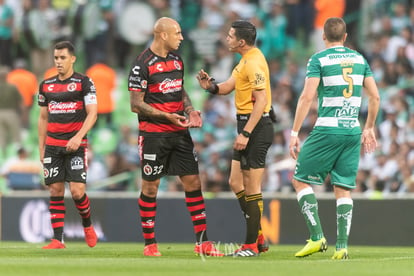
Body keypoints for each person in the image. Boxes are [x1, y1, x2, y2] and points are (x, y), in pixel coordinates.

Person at [128, 17, 222, 257]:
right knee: (151, 187)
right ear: (163, 35)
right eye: (177, 33)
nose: (181, 37)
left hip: (179, 133)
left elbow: (179, 89)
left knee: (194, 183)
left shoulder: (177, 60)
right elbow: (136, 105)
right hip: (153, 135)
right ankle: (150, 244)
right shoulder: (141, 64)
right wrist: (167, 116)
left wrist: (189, 110)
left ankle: (203, 243)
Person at [288, 17, 380, 260]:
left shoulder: (319, 59)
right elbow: (375, 97)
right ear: (346, 36)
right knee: (343, 188)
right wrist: (368, 127)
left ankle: (317, 237)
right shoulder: (360, 59)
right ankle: (342, 247)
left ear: (324, 37)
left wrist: (294, 132)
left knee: (300, 181)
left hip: (327, 129)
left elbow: (307, 97)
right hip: (352, 130)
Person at [197, 20, 274, 257]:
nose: (227, 38)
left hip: (256, 126)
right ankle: (258, 235)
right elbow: (229, 86)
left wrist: (246, 134)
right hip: (246, 124)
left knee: (252, 185)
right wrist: (211, 87)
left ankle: (251, 244)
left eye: (230, 36)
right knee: (234, 182)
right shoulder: (244, 61)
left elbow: (260, 102)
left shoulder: (253, 63)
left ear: (241, 41)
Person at [38, 41, 98, 249]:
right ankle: (57, 239)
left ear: (73, 58)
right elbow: (43, 118)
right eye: (56, 58)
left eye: (62, 57)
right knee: (55, 190)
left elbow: (93, 114)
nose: (58, 62)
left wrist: (78, 137)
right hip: (53, 146)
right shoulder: (46, 85)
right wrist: (41, 147)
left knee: (77, 192)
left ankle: (88, 226)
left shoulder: (84, 82)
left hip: (75, 146)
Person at [0, 66, 23, 158]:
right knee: (16, 136)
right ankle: (17, 156)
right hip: (11, 113)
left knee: (1, 136)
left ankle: (2, 157)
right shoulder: (13, 87)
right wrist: (22, 113)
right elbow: (20, 101)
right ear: (6, 76)